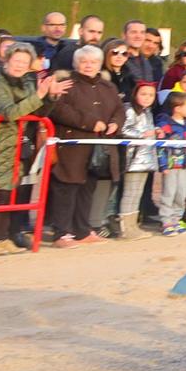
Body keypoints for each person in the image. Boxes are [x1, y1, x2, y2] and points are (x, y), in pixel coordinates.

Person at [0, 44, 69, 255]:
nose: (19, 66)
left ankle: (3, 237)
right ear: (6, 60)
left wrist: (50, 97)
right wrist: (39, 94)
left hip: (17, 143)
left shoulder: (28, 81)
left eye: (24, 63)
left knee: (10, 192)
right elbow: (9, 112)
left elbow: (37, 112)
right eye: (16, 61)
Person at [45, 45, 120, 247]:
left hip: (97, 148)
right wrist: (88, 122)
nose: (88, 65)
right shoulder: (66, 83)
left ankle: (82, 230)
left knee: (88, 189)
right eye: (84, 61)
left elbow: (119, 109)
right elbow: (58, 109)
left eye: (93, 62)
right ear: (76, 64)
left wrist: (115, 123)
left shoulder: (108, 87)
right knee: (66, 189)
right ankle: (61, 233)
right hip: (71, 147)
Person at [152, 90, 186, 235]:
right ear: (177, 108)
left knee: (182, 192)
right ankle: (166, 221)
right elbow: (160, 145)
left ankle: (176, 220)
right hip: (172, 165)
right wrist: (163, 165)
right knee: (169, 192)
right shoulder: (165, 124)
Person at [116, 80, 160, 238]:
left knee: (137, 192)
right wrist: (142, 135)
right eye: (143, 94)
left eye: (151, 95)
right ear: (135, 94)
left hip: (146, 157)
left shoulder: (147, 112)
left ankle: (133, 225)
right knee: (130, 192)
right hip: (133, 158)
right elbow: (123, 129)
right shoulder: (128, 109)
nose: (147, 98)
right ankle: (126, 228)